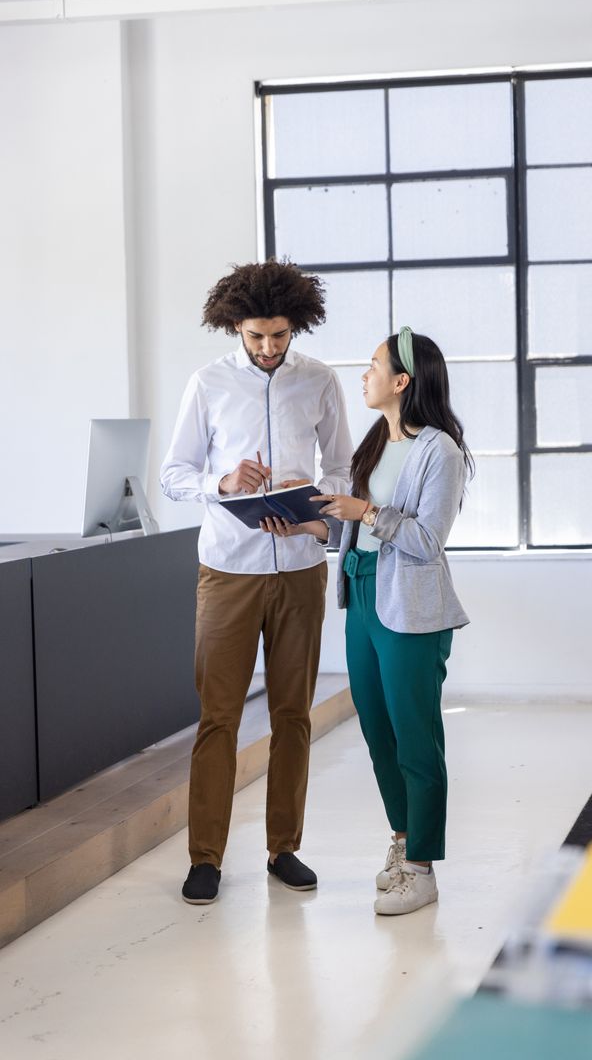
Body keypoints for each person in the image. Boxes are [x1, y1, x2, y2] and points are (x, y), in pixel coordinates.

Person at [160, 260, 353, 904]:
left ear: (294, 325)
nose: (269, 348)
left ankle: (284, 848)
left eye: (278, 335)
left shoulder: (319, 380)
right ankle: (205, 858)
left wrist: (316, 511)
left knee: (292, 714)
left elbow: (345, 469)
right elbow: (174, 473)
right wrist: (223, 484)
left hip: (299, 570)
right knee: (218, 717)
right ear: (235, 327)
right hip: (228, 569)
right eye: (256, 336)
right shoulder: (209, 383)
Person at [264, 327, 471, 915]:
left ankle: (424, 867)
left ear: (402, 381)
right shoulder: (378, 439)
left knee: (416, 738)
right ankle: (402, 842)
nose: (365, 374)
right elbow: (354, 528)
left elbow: (427, 541)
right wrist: (308, 524)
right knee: (379, 733)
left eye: (374, 366)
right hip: (362, 592)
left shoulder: (440, 450)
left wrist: (368, 511)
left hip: (412, 606)